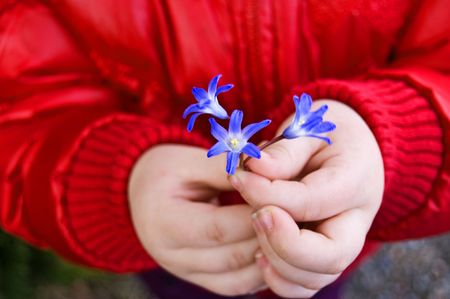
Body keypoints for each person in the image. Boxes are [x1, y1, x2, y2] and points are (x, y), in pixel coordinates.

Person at [0, 1, 449, 298]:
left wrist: (399, 134)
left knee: (312, 283)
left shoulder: (233, 137)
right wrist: (113, 179)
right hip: (169, 234)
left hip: (332, 227)